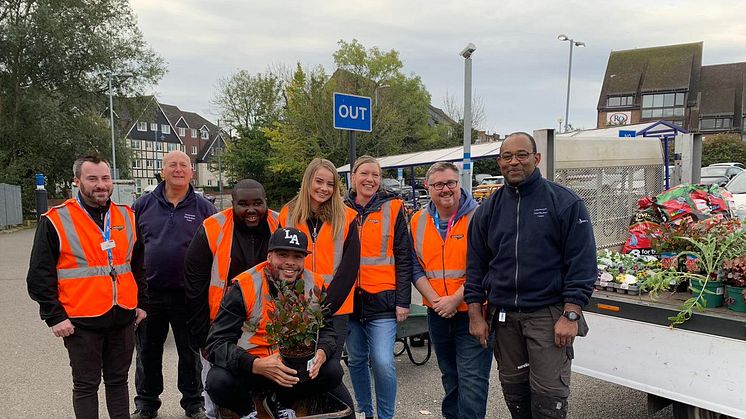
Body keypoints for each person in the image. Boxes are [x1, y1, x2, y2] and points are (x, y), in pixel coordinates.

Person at [465, 132, 597, 419]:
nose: (514, 162)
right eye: (507, 156)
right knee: (516, 397)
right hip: (505, 321)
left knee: (549, 402)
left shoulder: (564, 202)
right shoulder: (488, 210)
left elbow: (583, 263)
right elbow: (475, 267)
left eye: (522, 155)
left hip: (548, 317)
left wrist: (571, 314)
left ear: (536, 159)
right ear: (499, 163)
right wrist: (476, 316)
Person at [27, 154, 147, 419]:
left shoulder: (127, 216)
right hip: (80, 321)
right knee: (86, 386)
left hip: (122, 315)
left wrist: (142, 304)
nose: (100, 185)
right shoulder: (56, 220)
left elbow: (138, 265)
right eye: (92, 178)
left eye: (105, 178)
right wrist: (54, 317)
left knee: (118, 382)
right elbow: (38, 276)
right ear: (77, 181)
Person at [204, 227, 343, 418]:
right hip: (252, 368)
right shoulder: (244, 286)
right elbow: (216, 343)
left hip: (291, 370)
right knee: (217, 381)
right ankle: (247, 410)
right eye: (282, 255)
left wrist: (322, 352)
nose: (290, 263)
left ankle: (282, 403)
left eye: (297, 257)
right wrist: (255, 364)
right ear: (269, 256)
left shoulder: (315, 284)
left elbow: (327, 331)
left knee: (333, 371)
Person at [131, 151, 216, 419]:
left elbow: (216, 252)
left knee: (190, 352)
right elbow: (131, 250)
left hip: (189, 295)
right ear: (162, 170)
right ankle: (146, 403)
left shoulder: (205, 209)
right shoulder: (142, 206)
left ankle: (193, 403)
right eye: (172, 165)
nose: (178, 169)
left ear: (192, 172)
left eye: (184, 165)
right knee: (147, 352)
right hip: (149, 294)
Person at [184, 179, 279, 418]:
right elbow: (195, 286)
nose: (251, 210)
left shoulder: (280, 223)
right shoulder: (212, 228)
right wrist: (203, 336)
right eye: (243, 204)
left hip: (271, 326)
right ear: (232, 203)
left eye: (258, 203)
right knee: (217, 384)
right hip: (223, 325)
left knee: (271, 377)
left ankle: (272, 407)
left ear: (266, 202)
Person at [410, 161, 492, 419]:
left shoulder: (479, 217)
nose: (445, 189)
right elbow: (415, 267)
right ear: (428, 187)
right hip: (438, 314)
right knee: (450, 376)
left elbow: (489, 266)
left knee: (472, 381)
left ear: (459, 185)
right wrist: (437, 302)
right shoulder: (417, 220)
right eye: (438, 184)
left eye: (451, 183)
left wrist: (455, 299)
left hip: (473, 312)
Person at [279, 158, 359, 418]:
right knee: (296, 368)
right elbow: (279, 263)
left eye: (330, 183)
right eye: (319, 181)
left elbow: (349, 270)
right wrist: (295, 307)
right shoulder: (287, 214)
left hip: (334, 312)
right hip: (294, 311)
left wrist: (321, 309)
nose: (324, 188)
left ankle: (345, 414)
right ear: (308, 181)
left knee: (327, 369)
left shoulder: (347, 217)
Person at [343, 156, 412, 419]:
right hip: (350, 302)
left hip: (383, 300)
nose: (370, 179)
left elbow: (404, 256)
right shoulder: (340, 209)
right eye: (364, 174)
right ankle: (365, 412)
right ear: (353, 177)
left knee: (383, 362)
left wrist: (403, 301)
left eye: (375, 175)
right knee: (357, 360)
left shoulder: (393, 208)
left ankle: (385, 415)